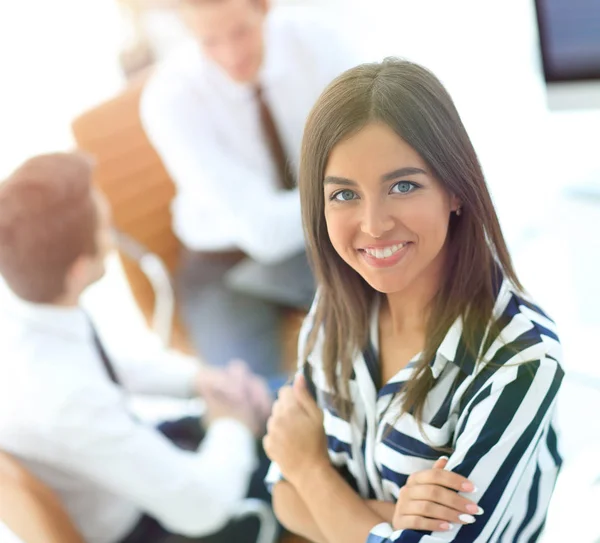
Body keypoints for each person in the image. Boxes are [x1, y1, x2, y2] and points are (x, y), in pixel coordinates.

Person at [263, 59, 564, 543]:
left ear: (455, 190)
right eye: (344, 195)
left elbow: (296, 473)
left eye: (403, 186)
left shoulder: (521, 360)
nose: (374, 224)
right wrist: (393, 518)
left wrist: (311, 469)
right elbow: (282, 496)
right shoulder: (333, 308)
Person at [0, 153, 273, 543]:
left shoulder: (29, 306)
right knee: (317, 449)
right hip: (158, 525)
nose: (112, 241)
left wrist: (199, 380)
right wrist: (233, 422)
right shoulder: (67, 400)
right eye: (105, 230)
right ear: (78, 270)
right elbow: (202, 510)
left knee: (283, 404)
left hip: (136, 473)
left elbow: (102, 365)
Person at [140, 0, 361, 377]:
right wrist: (351, 192)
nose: (231, 54)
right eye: (209, 41)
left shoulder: (317, 41)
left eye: (241, 31)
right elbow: (264, 233)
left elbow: (375, 145)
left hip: (319, 233)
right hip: (222, 262)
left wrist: (355, 191)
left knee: (390, 322)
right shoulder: (170, 98)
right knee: (251, 401)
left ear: (263, 8)